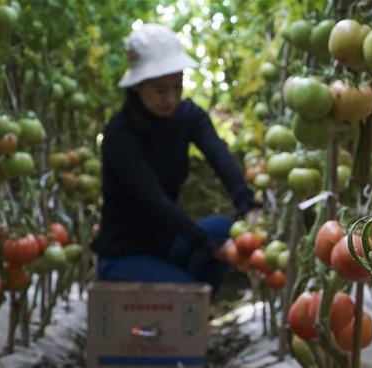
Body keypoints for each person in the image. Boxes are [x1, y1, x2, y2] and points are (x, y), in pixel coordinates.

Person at [92, 23, 257, 295]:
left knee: (222, 228)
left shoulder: (188, 116)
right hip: (124, 256)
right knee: (189, 296)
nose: (171, 98)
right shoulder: (119, 135)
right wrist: (212, 247)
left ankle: (192, 310)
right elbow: (154, 200)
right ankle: (192, 309)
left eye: (177, 87)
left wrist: (248, 205)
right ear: (137, 86)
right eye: (160, 90)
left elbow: (219, 157)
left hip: (168, 247)